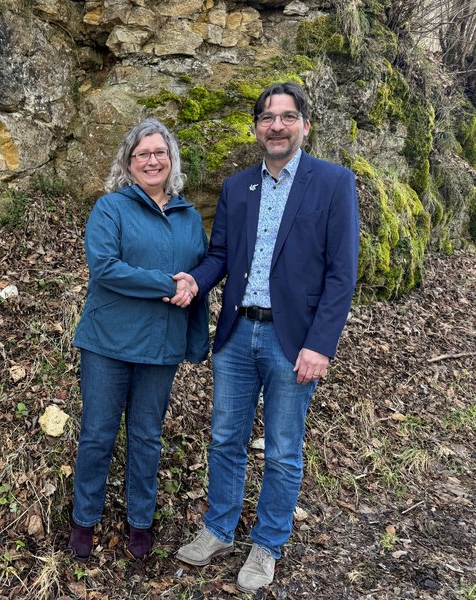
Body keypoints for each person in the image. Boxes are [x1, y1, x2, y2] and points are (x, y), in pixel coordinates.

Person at [169, 82, 359, 592]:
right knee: (225, 439)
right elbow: (221, 257)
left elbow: (342, 274)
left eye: (287, 116)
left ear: (304, 125)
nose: (277, 125)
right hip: (236, 336)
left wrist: (320, 344)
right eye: (268, 118)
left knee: (282, 449)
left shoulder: (334, 183)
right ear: (256, 128)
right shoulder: (237, 188)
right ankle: (218, 529)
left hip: (292, 341)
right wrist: (195, 280)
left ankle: (268, 543)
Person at [68, 118, 210, 562]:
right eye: (142, 154)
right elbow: (105, 268)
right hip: (108, 343)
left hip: (160, 346)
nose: (152, 160)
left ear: (172, 160)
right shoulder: (110, 209)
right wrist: (167, 284)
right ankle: (84, 519)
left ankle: (140, 523)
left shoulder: (189, 219)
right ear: (129, 164)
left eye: (159, 152)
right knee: (97, 434)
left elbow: (198, 277)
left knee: (147, 437)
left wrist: (195, 330)